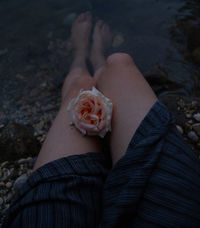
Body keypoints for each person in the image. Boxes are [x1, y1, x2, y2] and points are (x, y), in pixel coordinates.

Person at [3, 12, 200, 227]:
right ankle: (97, 57)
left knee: (80, 85)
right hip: (171, 208)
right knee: (119, 62)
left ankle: (80, 54)